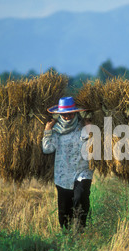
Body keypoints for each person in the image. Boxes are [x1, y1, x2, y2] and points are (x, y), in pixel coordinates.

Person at [42, 96, 94, 231]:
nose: (67, 117)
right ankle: (66, 235)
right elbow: (47, 149)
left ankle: (80, 230)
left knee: (80, 198)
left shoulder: (84, 126)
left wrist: (91, 132)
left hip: (83, 172)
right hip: (62, 175)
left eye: (70, 113)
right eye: (64, 114)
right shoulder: (55, 130)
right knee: (64, 210)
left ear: (76, 112)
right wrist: (47, 130)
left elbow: (94, 149)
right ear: (60, 114)